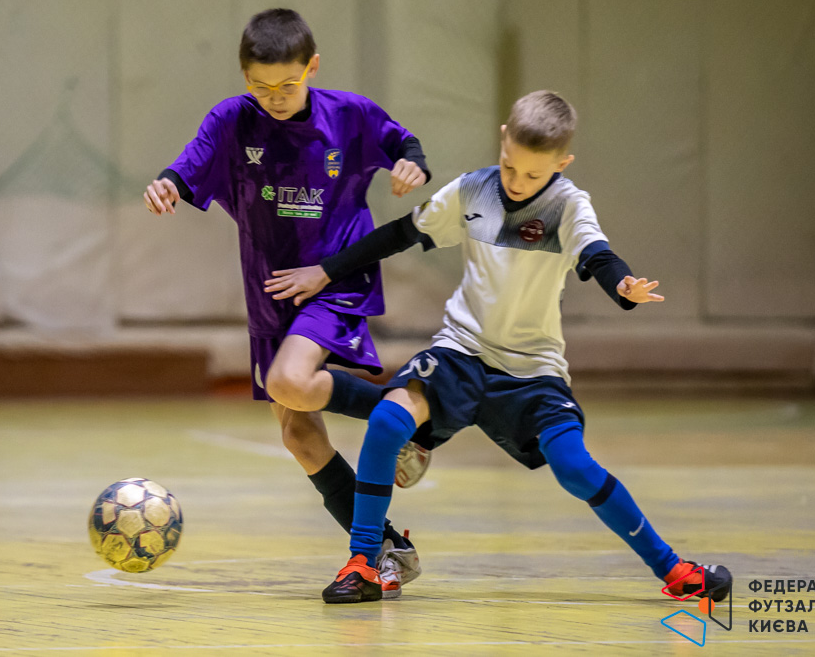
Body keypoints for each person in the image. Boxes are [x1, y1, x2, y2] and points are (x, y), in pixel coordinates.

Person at [265, 90, 733, 604]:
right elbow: (401, 233)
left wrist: (623, 285)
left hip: (532, 373)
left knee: (576, 469)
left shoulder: (569, 205)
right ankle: (365, 563)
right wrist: (326, 271)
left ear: (562, 163)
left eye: (533, 174)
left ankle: (674, 569)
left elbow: (598, 255)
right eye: (510, 166)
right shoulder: (473, 189)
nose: (517, 181)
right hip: (460, 353)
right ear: (504, 138)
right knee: (386, 422)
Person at [143, 9, 429, 596]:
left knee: (290, 381)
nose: (274, 97)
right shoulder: (231, 120)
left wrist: (412, 165)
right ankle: (386, 549)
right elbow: (189, 164)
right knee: (298, 435)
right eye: (261, 86)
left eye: (287, 85)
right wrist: (167, 183)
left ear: (312, 68)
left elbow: (403, 141)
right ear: (244, 76)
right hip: (270, 290)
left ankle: (401, 413)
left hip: (333, 278)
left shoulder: (347, 115)